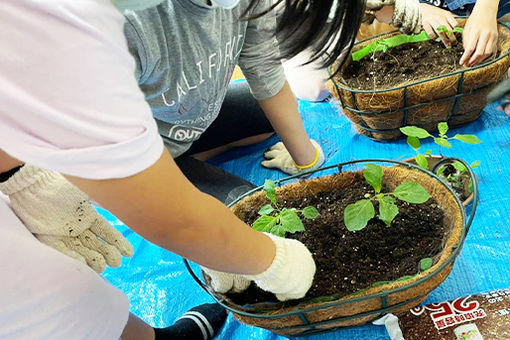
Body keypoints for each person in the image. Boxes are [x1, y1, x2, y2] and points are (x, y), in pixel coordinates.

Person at [0, 0, 372, 338]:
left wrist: (306, 159)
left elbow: (264, 68)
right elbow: (176, 221)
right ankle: (181, 171)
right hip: (137, 154)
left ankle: (192, 162)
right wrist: (270, 260)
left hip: (185, 121)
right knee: (248, 219)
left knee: (266, 116)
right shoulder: (107, 26)